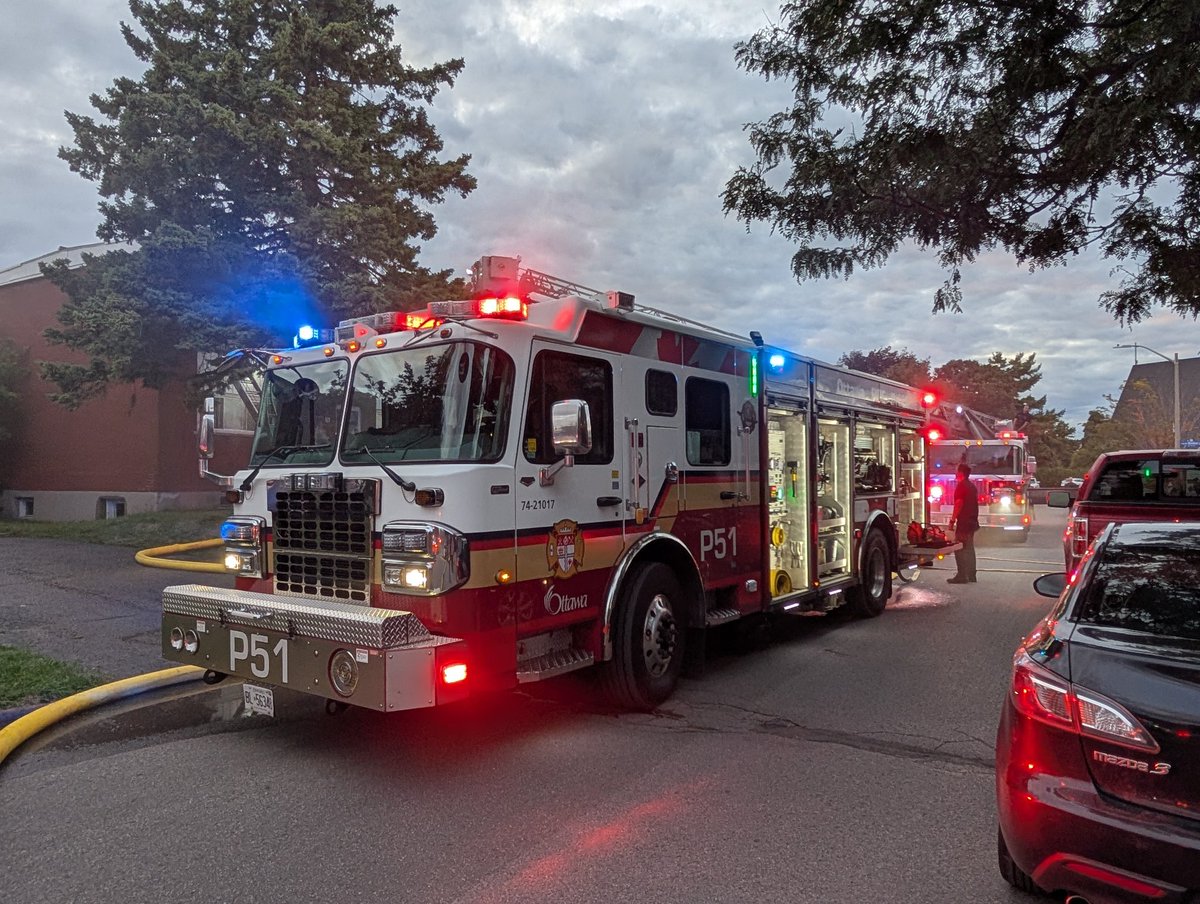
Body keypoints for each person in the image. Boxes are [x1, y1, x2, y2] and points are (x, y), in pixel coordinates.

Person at [947, 462, 979, 584]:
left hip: (964, 522)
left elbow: (958, 504)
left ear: (960, 473)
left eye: (957, 471)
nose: (955, 473)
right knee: (969, 548)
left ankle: (962, 575)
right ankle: (971, 575)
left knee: (959, 548)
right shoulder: (972, 486)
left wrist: (952, 520)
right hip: (972, 522)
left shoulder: (961, 486)